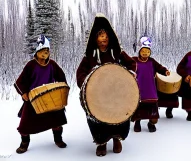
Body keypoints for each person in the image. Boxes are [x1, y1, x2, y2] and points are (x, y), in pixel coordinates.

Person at [76, 13, 136, 157]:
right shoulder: (89, 56)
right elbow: (80, 73)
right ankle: (101, 142)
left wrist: (128, 76)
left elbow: (132, 64)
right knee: (97, 119)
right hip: (97, 96)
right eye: (101, 37)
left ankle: (116, 138)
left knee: (119, 115)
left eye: (106, 37)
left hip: (117, 93)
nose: (104, 40)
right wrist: (88, 85)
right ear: (95, 39)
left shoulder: (117, 53)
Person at [14, 35, 68, 154]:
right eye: (43, 51)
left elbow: (62, 78)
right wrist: (24, 93)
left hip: (50, 97)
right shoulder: (31, 65)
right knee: (25, 125)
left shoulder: (52, 64)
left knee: (57, 120)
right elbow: (19, 82)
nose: (45, 53)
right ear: (37, 51)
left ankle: (58, 139)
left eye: (47, 51)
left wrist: (61, 90)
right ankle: (24, 143)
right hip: (33, 99)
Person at [131, 36, 170, 132]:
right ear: (139, 51)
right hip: (138, 90)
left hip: (150, 90)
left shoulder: (152, 61)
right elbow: (126, 64)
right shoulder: (134, 61)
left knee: (153, 111)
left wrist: (165, 71)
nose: (145, 53)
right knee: (139, 108)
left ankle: (151, 123)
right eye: (143, 51)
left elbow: (159, 67)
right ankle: (137, 122)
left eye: (147, 51)